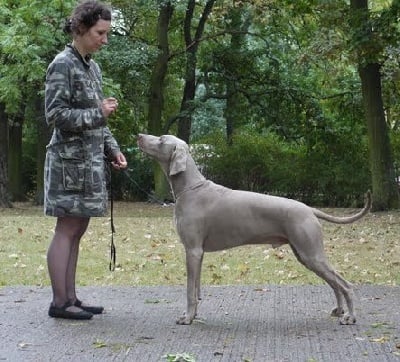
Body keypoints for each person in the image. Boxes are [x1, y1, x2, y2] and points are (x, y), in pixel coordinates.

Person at [44, 0, 127, 320]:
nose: (104, 39)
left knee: (77, 230)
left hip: (90, 163)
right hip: (68, 164)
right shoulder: (62, 64)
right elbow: (55, 115)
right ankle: (59, 302)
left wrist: (113, 150)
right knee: (66, 229)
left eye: (107, 33)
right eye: (99, 33)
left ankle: (72, 298)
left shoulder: (91, 66)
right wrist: (98, 112)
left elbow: (99, 121)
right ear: (81, 28)